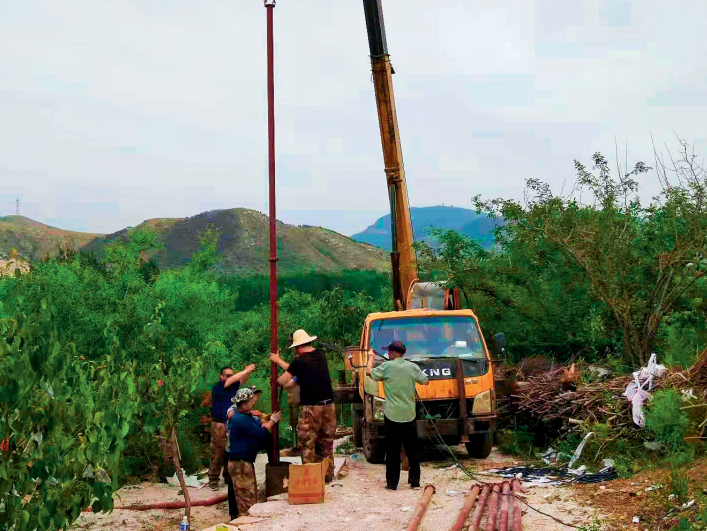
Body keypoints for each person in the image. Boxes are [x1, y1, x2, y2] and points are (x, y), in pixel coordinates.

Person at [270, 329, 336, 482]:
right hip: (329, 406)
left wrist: (277, 362)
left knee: (307, 443)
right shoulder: (321, 355)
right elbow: (298, 369)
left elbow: (282, 381)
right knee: (326, 443)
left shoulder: (299, 362)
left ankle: (310, 478)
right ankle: (327, 474)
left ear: (297, 347)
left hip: (311, 408)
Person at [366, 340, 429, 491]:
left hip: (392, 415)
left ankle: (392, 484)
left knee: (392, 450)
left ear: (394, 352)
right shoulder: (412, 367)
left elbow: (369, 372)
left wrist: (370, 357)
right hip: (409, 414)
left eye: (389, 352)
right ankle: (414, 483)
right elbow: (425, 381)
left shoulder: (386, 367)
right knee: (412, 450)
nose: (387, 354)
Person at [228, 387, 281, 516]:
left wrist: (267, 419)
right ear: (244, 404)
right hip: (240, 463)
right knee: (247, 500)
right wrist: (273, 421)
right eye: (251, 400)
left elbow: (258, 425)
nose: (254, 402)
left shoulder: (245, 415)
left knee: (246, 496)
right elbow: (260, 433)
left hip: (242, 462)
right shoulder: (240, 419)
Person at [209, 363, 256, 490]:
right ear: (221, 377)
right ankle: (213, 479)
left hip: (230, 423)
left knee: (228, 452)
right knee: (217, 452)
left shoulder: (233, 387)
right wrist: (245, 370)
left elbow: (240, 380)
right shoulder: (219, 386)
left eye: (232, 375)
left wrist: (248, 372)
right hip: (219, 424)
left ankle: (227, 476)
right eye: (228, 375)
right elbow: (234, 379)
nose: (231, 377)